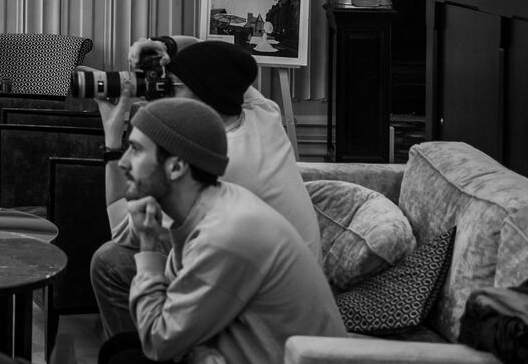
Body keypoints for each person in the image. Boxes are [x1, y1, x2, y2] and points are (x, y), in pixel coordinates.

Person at [91, 39, 321, 341]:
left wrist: (112, 139)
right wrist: (163, 45)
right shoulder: (262, 112)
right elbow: (216, 54)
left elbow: (120, 230)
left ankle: (138, 354)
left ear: (205, 94)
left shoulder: (205, 165)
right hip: (292, 287)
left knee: (110, 261)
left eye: (174, 86)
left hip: (267, 320)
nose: (164, 91)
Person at [99, 97, 345, 364]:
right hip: (230, 346)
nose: (123, 162)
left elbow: (158, 342)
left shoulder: (225, 233)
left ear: (176, 167)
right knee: (118, 349)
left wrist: (148, 245)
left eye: (136, 150)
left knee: (124, 359)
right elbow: (173, 303)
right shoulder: (208, 204)